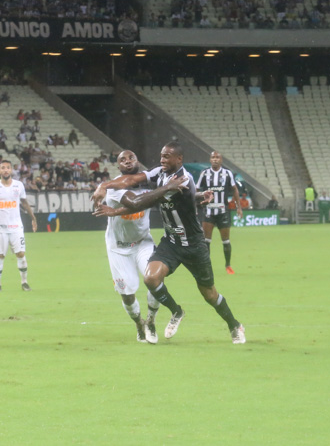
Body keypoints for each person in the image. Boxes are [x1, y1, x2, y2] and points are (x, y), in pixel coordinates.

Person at [91, 141, 246, 345]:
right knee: (151, 279)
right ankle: (176, 311)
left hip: (193, 245)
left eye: (167, 156)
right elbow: (135, 181)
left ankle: (234, 325)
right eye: (161, 156)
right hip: (171, 242)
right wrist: (104, 185)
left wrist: (185, 193)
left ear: (179, 159)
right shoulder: (160, 174)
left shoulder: (183, 180)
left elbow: (145, 201)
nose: (162, 160)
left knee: (209, 293)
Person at [92, 150, 178, 344]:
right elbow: (134, 202)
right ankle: (139, 323)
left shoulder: (151, 181)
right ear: (118, 166)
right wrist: (163, 190)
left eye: (131, 157)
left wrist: (196, 196)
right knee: (127, 294)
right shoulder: (115, 187)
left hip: (142, 243)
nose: (128, 161)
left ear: (138, 161)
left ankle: (151, 321)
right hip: (118, 248)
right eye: (123, 160)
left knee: (155, 280)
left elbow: (171, 194)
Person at [0, 160, 37, 292]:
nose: (6, 170)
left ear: (11, 170)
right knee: (0, 256)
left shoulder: (18, 185)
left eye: (8, 168)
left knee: (21, 253)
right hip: (0, 228)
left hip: (16, 227)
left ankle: (24, 282)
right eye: (3, 168)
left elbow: (24, 203)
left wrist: (33, 218)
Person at [196, 151, 242, 275]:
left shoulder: (227, 174)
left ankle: (228, 265)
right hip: (209, 210)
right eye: (213, 157)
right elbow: (196, 189)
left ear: (221, 160)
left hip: (223, 211)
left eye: (217, 157)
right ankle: (207, 266)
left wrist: (239, 207)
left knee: (226, 240)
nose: (215, 159)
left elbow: (235, 190)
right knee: (206, 241)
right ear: (210, 160)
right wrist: (196, 204)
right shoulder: (204, 173)